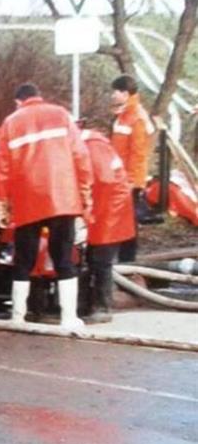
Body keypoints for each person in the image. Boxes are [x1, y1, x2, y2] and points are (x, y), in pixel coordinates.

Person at [0, 83, 93, 329]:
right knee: (64, 260)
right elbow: (81, 157)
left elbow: (2, 168)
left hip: (28, 200)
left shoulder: (11, 122)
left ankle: (18, 316)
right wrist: (85, 196)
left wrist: (2, 205)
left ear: (19, 101)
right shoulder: (61, 114)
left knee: (23, 260)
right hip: (63, 198)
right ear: (39, 96)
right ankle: (68, 318)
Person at [80, 127, 135, 323]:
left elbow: (102, 179)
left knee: (100, 259)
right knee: (91, 257)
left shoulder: (91, 147)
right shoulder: (91, 143)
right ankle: (86, 304)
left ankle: (102, 307)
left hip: (110, 208)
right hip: (106, 206)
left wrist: (84, 208)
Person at [109, 74, 155, 261]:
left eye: (116, 92)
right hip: (122, 177)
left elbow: (138, 154)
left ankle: (128, 259)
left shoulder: (135, 118)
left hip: (129, 180)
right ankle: (124, 259)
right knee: (124, 219)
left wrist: (131, 181)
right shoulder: (125, 115)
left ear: (125, 93)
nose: (112, 95)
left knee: (128, 221)